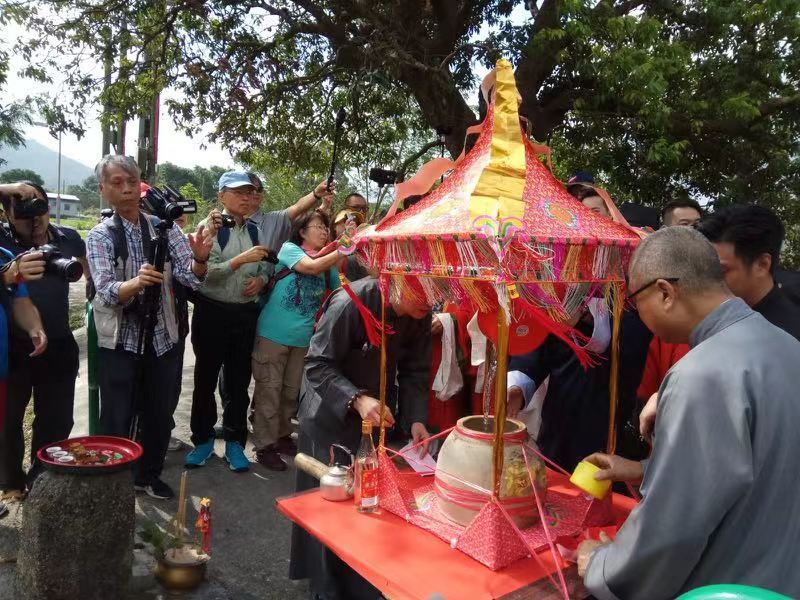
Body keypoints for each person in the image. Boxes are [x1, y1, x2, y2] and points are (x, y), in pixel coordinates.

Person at [578, 226, 800, 599]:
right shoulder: (787, 345)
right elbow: (763, 467)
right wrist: (644, 469)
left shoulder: (701, 373)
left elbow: (673, 526)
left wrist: (601, 565)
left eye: (635, 300)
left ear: (665, 292)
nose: (637, 313)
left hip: (729, 584)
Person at [290, 277, 432, 600]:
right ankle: (325, 589)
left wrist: (416, 418)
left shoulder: (420, 315)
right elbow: (316, 364)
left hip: (372, 417)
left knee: (365, 507)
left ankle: (358, 585)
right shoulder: (352, 302)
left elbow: (416, 370)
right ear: (401, 278)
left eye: (435, 294)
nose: (430, 301)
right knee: (329, 509)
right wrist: (356, 399)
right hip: (329, 413)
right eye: (423, 290)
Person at [87, 155, 213, 500]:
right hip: (121, 341)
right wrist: (136, 283)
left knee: (159, 413)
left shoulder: (164, 226)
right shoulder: (101, 235)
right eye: (117, 183)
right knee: (117, 414)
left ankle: (149, 475)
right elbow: (106, 289)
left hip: (164, 337)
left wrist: (200, 258)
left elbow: (190, 277)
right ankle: (112, 484)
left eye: (132, 181)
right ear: (103, 190)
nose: (127, 188)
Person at [0, 181, 86, 494]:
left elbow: (90, 275)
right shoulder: (2, 241)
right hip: (11, 347)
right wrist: (9, 189)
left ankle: (44, 480)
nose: (33, 218)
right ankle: (11, 483)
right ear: (6, 214)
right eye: (21, 210)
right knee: (9, 421)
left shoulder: (69, 238)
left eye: (39, 206)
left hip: (59, 342)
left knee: (56, 419)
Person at [250, 210, 341, 470]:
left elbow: (338, 294)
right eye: (318, 227)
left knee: (291, 393)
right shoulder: (290, 249)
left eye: (326, 228)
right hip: (272, 334)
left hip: (302, 339)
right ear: (302, 232)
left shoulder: (328, 262)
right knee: (270, 389)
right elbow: (309, 267)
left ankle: (281, 436)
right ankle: (264, 446)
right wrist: (345, 248)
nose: (324, 232)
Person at [698, 204, 800, 340]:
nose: (706, 280)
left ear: (762, 265)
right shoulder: (706, 320)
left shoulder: (788, 338)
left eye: (719, 271)